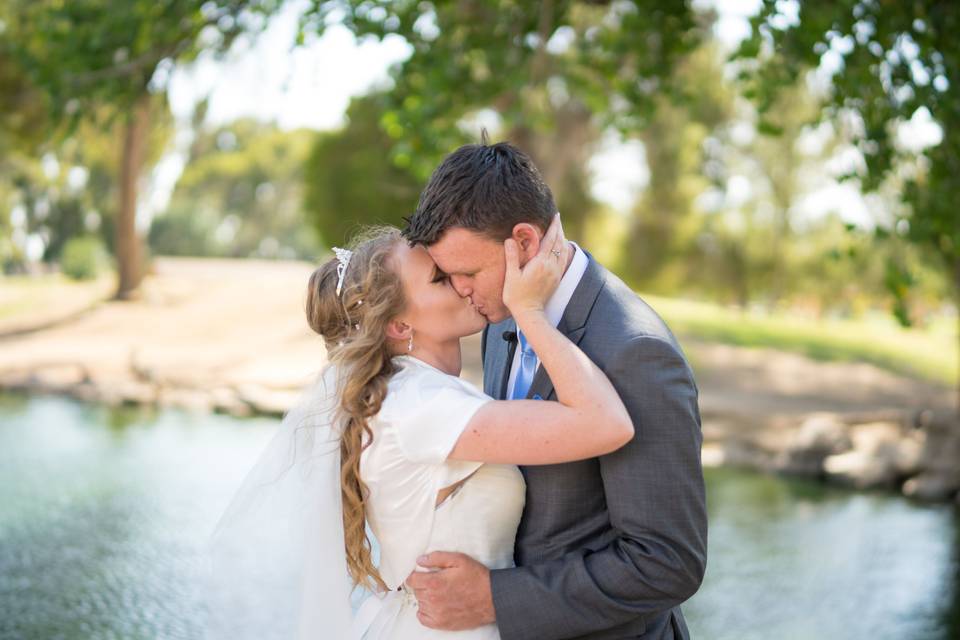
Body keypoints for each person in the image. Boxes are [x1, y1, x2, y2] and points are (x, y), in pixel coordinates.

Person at [207, 215, 634, 639]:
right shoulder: (419, 405)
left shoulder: (407, 394)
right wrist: (530, 311)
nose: (461, 281)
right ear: (399, 325)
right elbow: (606, 423)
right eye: (439, 277)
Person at [401, 140, 708, 640]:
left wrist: (494, 598)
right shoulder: (499, 320)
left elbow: (668, 562)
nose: (459, 291)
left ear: (522, 242)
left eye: (468, 272)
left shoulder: (636, 352)